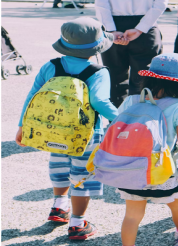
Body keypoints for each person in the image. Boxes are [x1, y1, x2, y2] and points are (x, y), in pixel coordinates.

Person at [15, 17, 119, 240]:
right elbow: (100, 102)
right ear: (96, 48)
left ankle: (59, 207)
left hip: (53, 130)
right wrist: (121, 119)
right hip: (86, 134)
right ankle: (77, 224)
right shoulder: (98, 71)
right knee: (82, 176)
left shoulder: (51, 66)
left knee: (60, 167)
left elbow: (32, 96)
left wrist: (23, 126)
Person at [116, 54, 178, 246]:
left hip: (131, 168)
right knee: (177, 205)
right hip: (165, 170)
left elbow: (117, 128)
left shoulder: (132, 101)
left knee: (132, 215)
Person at [95, 0, 167, 107]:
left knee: (114, 79)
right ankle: (141, 119)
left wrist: (111, 29)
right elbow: (161, 2)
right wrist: (141, 28)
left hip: (114, 22)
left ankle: (117, 119)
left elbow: (101, 4)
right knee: (144, 79)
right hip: (146, 26)